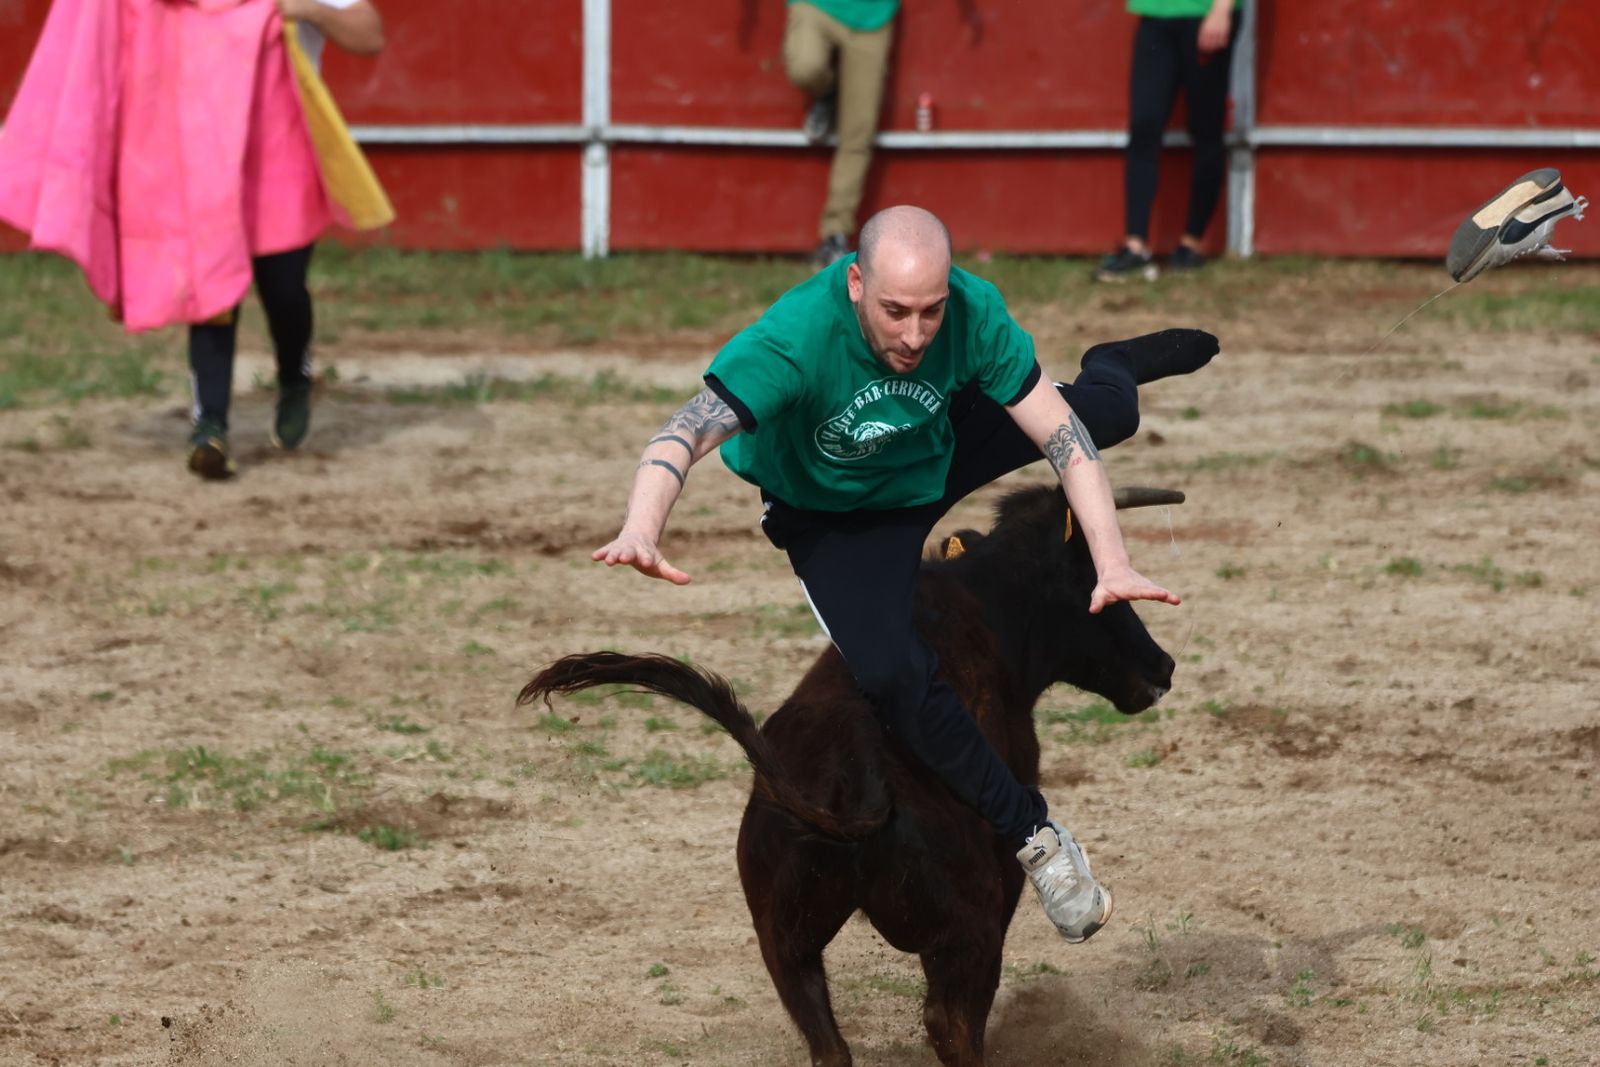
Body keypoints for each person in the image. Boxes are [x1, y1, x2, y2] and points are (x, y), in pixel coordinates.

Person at [593, 205, 1217, 942]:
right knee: (893, 676)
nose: (916, 336)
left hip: (936, 443)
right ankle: (1039, 839)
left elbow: (1066, 443)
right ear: (856, 283)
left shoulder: (974, 313)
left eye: (931, 312)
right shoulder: (793, 340)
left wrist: (1111, 562)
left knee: (1105, 417)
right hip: (834, 516)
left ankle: (1113, 359)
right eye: (895, 313)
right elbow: (681, 433)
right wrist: (642, 525)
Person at [186, 0, 386, 479]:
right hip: (208, 149)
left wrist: (309, 10)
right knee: (212, 289)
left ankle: (295, 375)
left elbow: (369, 36)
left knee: (284, 288)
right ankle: (210, 424)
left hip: (285, 157)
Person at [1096, 0, 1242, 282]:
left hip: (1206, 13)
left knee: (1206, 128)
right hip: (1156, 12)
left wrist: (1221, 10)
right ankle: (1135, 245)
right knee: (1144, 126)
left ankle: (1191, 243)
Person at [782, 0, 898, 269]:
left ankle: (836, 234)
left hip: (872, 16)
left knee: (858, 133)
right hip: (815, 5)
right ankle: (829, 93)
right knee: (806, 67)